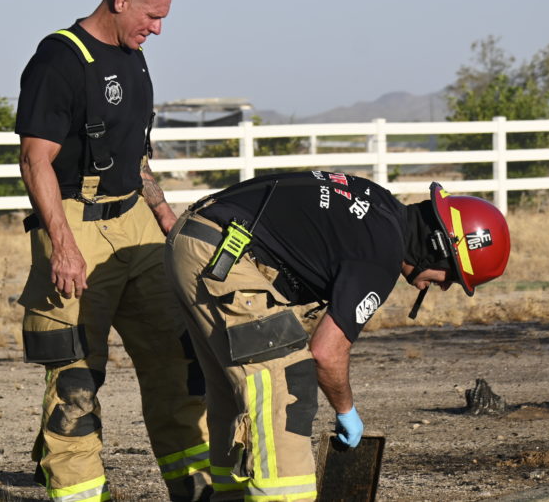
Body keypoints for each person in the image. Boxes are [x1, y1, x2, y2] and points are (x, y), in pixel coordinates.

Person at [164, 171, 511, 500]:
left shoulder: (380, 206)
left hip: (199, 241)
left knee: (235, 389)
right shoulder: (381, 255)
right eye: (453, 276)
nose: (446, 286)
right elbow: (326, 353)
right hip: (223, 256)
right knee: (286, 383)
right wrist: (346, 410)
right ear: (438, 247)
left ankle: (231, 496)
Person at [15, 0, 211, 502]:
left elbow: (134, 155)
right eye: (152, 15)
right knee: (76, 379)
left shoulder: (133, 58)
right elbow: (34, 159)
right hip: (76, 223)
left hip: (136, 223)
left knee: (180, 365)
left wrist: (165, 215)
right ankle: (78, 491)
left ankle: (198, 491)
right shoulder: (59, 58)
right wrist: (62, 245)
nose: (158, 29)